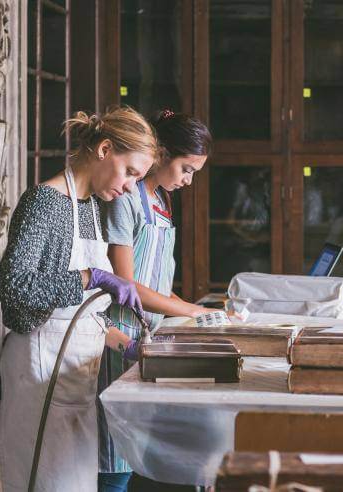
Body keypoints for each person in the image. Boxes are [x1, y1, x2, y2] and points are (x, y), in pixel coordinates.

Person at [0, 107, 158, 492]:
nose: (131, 188)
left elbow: (78, 317)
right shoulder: (44, 202)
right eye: (131, 173)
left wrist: (130, 346)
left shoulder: (88, 208)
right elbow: (14, 288)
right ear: (105, 149)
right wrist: (92, 277)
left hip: (73, 390)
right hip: (38, 383)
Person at [97, 110, 215, 491]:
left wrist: (204, 314)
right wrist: (193, 310)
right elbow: (126, 283)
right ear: (161, 154)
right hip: (117, 338)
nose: (188, 180)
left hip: (148, 337)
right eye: (187, 168)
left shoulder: (162, 205)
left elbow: (160, 287)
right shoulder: (126, 200)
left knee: (131, 452)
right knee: (112, 457)